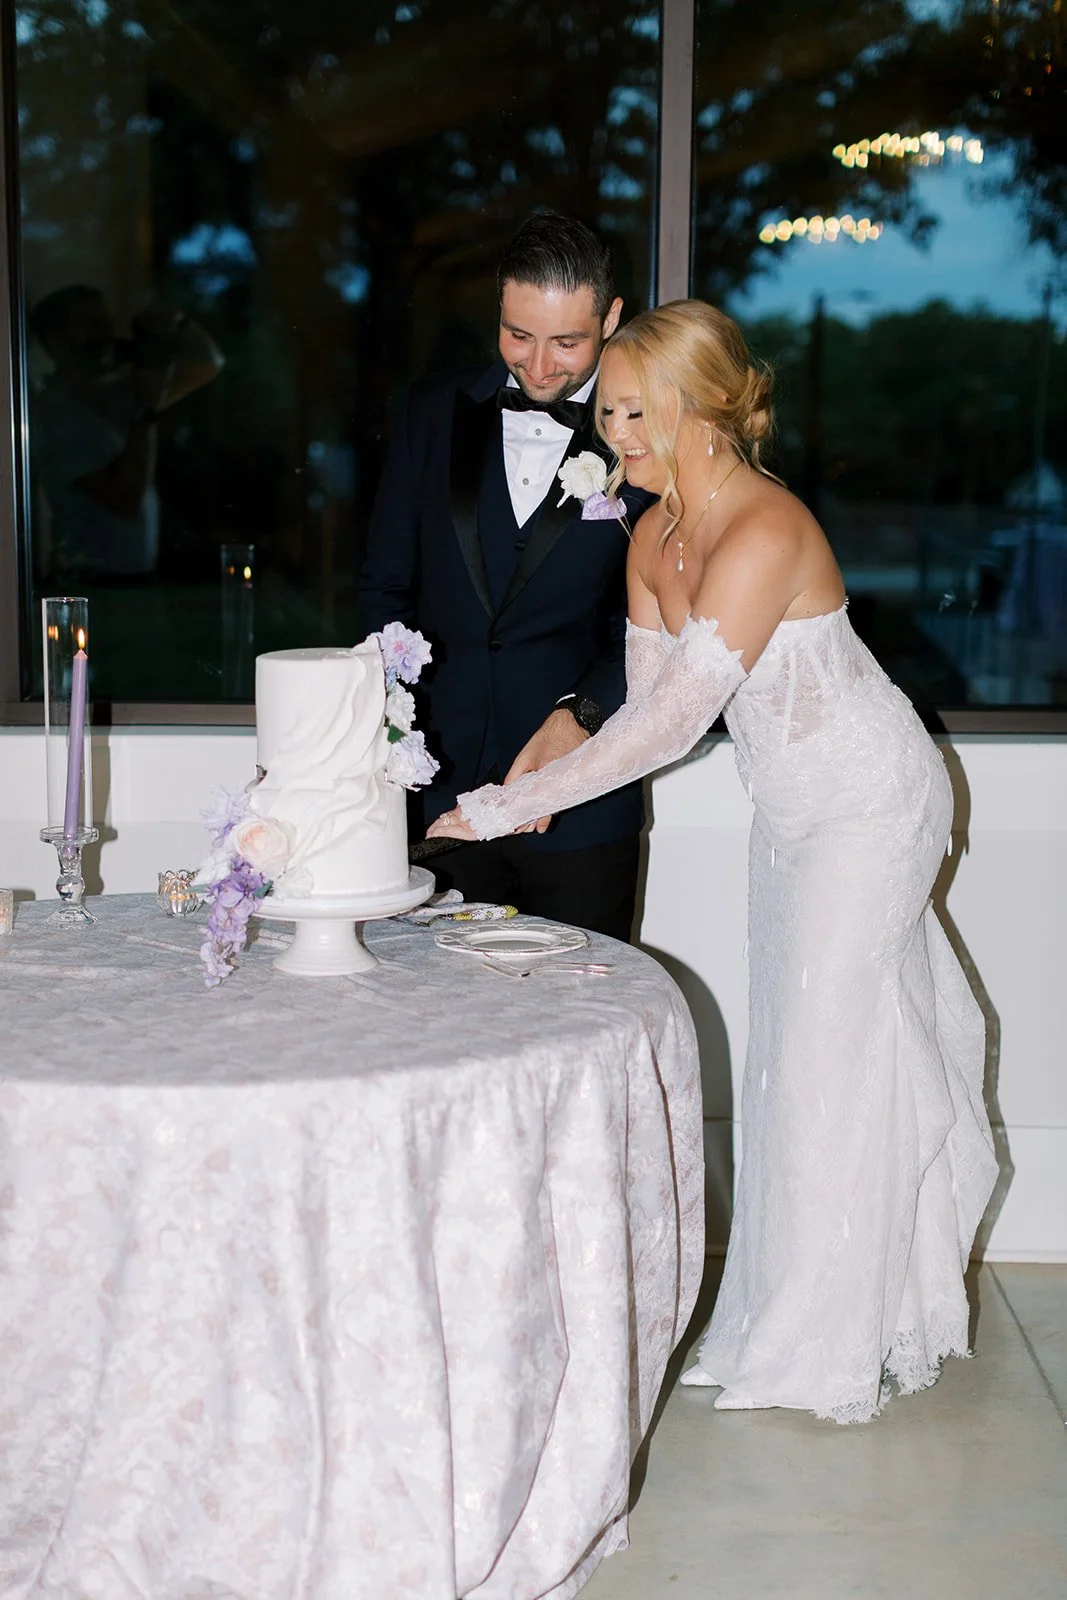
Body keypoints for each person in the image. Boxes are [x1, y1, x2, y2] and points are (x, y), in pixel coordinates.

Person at [429, 299, 998, 1424]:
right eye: (608, 413)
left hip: (870, 800)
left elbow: (671, 725)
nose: (613, 436)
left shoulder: (764, 529)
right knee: (801, 1052)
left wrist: (503, 806)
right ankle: (830, 1306)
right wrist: (559, 738)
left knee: (830, 1052)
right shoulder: (650, 532)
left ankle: (819, 1343)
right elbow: (639, 711)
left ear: (698, 408)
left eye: (634, 413)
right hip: (788, 812)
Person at [359, 214, 655, 941]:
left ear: (611, 318)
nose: (540, 366)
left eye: (567, 341)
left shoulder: (645, 434)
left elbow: (655, 621)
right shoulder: (433, 411)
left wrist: (579, 716)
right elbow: (384, 589)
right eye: (518, 335)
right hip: (439, 793)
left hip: (585, 800)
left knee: (583, 1020)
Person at [30, 284, 223, 578]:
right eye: (91, 326)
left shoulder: (121, 397)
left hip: (137, 576)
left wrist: (176, 322)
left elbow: (207, 363)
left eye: (106, 325)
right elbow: (125, 498)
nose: (104, 336)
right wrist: (146, 414)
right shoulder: (52, 414)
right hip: (88, 583)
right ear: (54, 340)